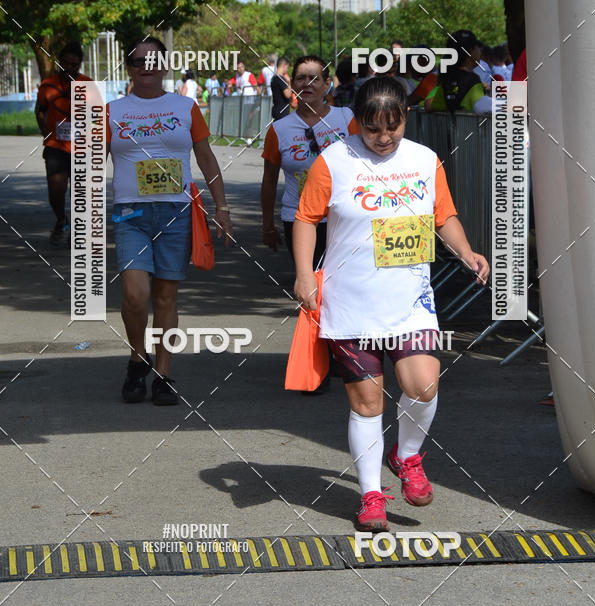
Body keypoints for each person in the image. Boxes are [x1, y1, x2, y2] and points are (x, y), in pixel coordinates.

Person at [293, 76, 489, 530]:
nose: (383, 138)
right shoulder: (334, 161)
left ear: (405, 117)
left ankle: (406, 456)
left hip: (410, 298)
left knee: (423, 384)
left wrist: (466, 252)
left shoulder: (424, 159)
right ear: (357, 121)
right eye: (372, 129)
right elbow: (306, 217)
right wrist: (305, 274)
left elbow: (444, 215)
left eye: (393, 127)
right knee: (367, 404)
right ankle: (371, 496)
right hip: (350, 302)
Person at [107, 37, 232, 406]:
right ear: (129, 68)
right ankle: (136, 357)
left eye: (154, 60)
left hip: (176, 211)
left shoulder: (185, 106)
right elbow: (92, 163)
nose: (146, 66)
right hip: (130, 212)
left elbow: (206, 157)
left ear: (165, 66)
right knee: (134, 294)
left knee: (165, 296)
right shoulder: (112, 110)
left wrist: (221, 206)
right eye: (138, 60)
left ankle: (162, 372)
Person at [261, 55, 358, 265]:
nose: (307, 84)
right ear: (293, 84)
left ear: (327, 84)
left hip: (342, 217)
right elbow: (269, 180)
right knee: (311, 284)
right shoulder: (279, 129)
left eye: (314, 79)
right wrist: (267, 224)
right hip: (299, 219)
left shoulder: (346, 118)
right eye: (300, 78)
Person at [35, 41, 91, 245]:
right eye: (66, 64)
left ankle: (77, 230)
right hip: (55, 146)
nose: (69, 68)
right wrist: (44, 129)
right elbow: (39, 109)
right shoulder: (48, 84)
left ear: (79, 65)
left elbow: (98, 116)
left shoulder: (89, 85)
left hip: (83, 148)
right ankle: (61, 219)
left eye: (74, 65)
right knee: (56, 190)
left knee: (80, 192)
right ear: (60, 63)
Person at [425, 30, 491, 114]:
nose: (480, 51)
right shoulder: (473, 80)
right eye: (477, 47)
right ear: (470, 51)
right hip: (469, 127)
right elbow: (482, 108)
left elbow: (430, 106)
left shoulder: (447, 80)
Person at [270, 56, 292, 120]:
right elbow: (287, 95)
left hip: (277, 110)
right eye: (287, 67)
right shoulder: (280, 79)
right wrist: (289, 83)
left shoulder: (274, 78)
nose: (287, 70)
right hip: (282, 112)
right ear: (284, 65)